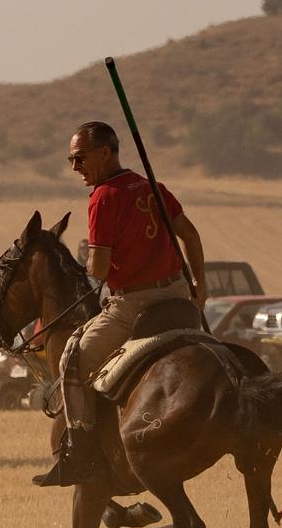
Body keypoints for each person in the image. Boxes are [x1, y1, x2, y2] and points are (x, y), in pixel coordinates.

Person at [34, 121, 210, 487]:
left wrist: (86, 265)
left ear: (105, 153)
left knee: (72, 358)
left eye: (79, 158)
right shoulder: (153, 187)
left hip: (134, 304)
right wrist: (200, 285)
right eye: (70, 159)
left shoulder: (102, 198)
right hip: (178, 294)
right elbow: (190, 234)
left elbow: (98, 268)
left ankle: (80, 452)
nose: (74, 167)